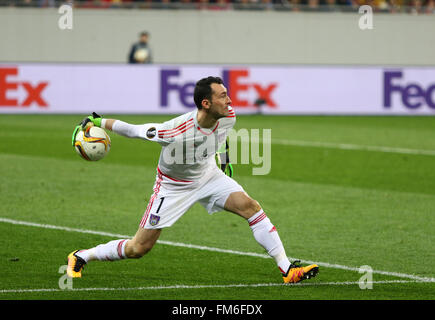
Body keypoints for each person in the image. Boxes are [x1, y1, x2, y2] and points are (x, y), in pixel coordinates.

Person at [67, 76, 319, 284]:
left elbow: (222, 135)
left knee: (251, 207)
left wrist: (224, 160)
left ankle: (287, 269)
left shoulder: (229, 115)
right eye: (222, 95)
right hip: (173, 186)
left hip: (208, 175)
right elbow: (134, 130)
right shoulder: (176, 130)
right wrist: (98, 121)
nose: (229, 99)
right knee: (139, 248)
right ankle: (83, 255)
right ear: (206, 103)